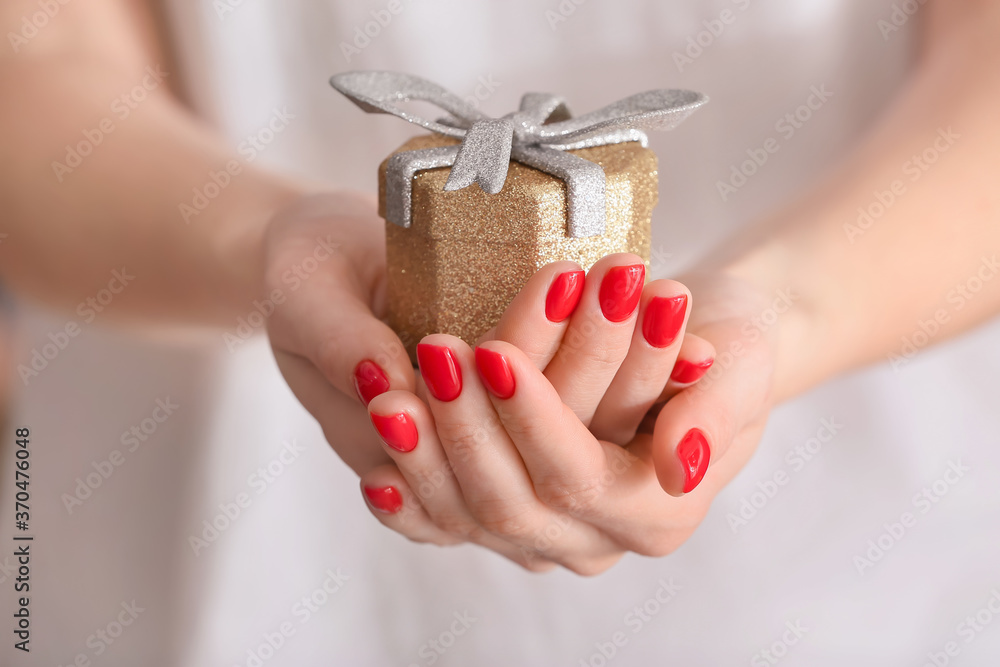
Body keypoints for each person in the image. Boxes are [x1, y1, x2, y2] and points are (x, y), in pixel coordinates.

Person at [2, 0, 998, 664]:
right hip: (188, 538)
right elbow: (33, 62)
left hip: (847, 552)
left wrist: (784, 310)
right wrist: (264, 244)